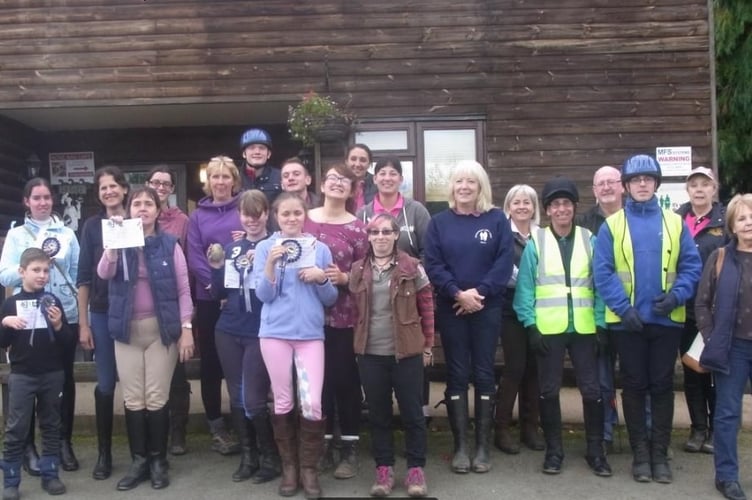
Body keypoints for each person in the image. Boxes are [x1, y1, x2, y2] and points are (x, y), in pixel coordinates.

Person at [594, 154, 702, 484]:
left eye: (648, 179)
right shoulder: (611, 225)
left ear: (656, 184)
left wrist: (676, 296)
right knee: (635, 387)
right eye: (636, 180)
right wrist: (623, 309)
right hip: (627, 323)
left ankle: (659, 454)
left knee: (662, 387)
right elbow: (603, 272)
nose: (642, 184)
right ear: (626, 186)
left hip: (666, 321)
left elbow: (691, 267)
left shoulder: (673, 222)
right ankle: (640, 454)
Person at [97, 186, 195, 491]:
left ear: (157, 209)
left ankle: (158, 461)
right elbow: (103, 273)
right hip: (126, 332)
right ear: (128, 210)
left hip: (160, 331)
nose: (142, 208)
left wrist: (187, 329)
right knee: (133, 398)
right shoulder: (119, 242)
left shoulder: (169, 244)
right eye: (136, 203)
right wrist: (111, 249)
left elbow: (183, 289)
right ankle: (138, 461)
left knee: (156, 397)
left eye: (148, 204)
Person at [513, 177, 611, 477]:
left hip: (584, 329)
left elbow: (600, 286)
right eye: (555, 205)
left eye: (566, 203)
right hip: (548, 329)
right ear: (548, 210)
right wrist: (530, 326)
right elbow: (525, 290)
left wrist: (601, 324)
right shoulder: (536, 243)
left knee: (592, 391)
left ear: (574, 207)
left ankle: (596, 451)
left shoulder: (589, 239)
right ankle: (555, 451)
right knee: (549, 391)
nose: (561, 209)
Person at [424, 160, 514, 474]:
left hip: (487, 308)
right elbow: (433, 263)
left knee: (485, 372)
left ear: (480, 187)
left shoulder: (497, 219)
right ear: (452, 187)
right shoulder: (439, 223)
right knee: (458, 374)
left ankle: (482, 447)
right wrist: (457, 293)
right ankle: (461, 446)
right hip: (452, 308)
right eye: (459, 181)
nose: (464, 187)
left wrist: (478, 294)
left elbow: (504, 263)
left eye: (471, 182)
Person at [253, 192, 338, 498]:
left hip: (309, 335)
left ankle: (309, 469)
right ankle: (290, 468)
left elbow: (331, 300)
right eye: (285, 214)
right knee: (283, 401)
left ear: (305, 216)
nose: (291, 219)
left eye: (297, 213)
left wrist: (321, 279)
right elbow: (263, 296)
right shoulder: (265, 248)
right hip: (275, 333)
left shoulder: (320, 249)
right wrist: (271, 265)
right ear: (276, 216)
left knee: (312, 402)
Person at [350, 213, 435, 498]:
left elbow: (426, 305)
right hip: (370, 353)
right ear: (369, 236)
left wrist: (427, 345)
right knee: (378, 415)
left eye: (386, 232)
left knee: (412, 413)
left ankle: (415, 469)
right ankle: (384, 470)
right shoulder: (357, 270)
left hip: (407, 352)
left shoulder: (413, 267)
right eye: (374, 232)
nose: (380, 237)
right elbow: (354, 310)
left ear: (396, 235)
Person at [0, 178, 80, 474]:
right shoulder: (17, 235)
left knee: (64, 381)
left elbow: (76, 274)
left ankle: (63, 442)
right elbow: (5, 274)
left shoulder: (68, 234)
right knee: (29, 381)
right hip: (28, 316)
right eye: (37, 198)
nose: (43, 202)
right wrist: (35, 261)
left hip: (62, 313)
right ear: (27, 201)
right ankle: (28, 447)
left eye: (47, 197)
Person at [206, 189, 281, 484]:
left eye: (257, 213)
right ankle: (248, 456)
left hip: (260, 329)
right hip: (228, 328)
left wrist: (265, 263)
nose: (251, 219)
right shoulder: (231, 248)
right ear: (240, 216)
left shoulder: (276, 246)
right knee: (236, 394)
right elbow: (219, 293)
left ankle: (270, 455)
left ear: (267, 214)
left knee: (254, 395)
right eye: (246, 214)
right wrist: (215, 267)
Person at [304, 163, 368, 479]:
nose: (338, 183)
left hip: (343, 317)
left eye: (345, 180)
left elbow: (366, 272)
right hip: (305, 317)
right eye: (333, 178)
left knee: (345, 383)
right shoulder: (304, 220)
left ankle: (350, 449)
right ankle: (324, 444)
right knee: (319, 383)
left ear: (352, 189)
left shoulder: (359, 228)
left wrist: (345, 277)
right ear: (323, 183)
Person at [1, 248, 75, 499]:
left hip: (52, 374)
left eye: (46, 270)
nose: (42, 275)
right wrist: (5, 323)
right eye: (36, 270)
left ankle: (50, 475)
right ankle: (11, 480)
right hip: (22, 375)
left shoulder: (52, 301)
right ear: (21, 272)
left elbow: (67, 343)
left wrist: (58, 325)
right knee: (16, 428)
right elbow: (2, 342)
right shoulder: (10, 304)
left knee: (52, 425)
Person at [694, 193, 752, 500]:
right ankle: (727, 476)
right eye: (742, 218)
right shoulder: (720, 258)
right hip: (733, 348)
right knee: (728, 413)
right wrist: (712, 335)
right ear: (732, 224)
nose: (749, 223)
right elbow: (702, 303)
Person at [186, 155, 243, 455]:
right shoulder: (197, 216)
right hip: (210, 299)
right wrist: (216, 286)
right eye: (214, 177)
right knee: (211, 363)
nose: (220, 182)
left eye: (225, 176)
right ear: (208, 182)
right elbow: (194, 256)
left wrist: (232, 289)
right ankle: (216, 425)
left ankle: (244, 423)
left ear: (234, 180)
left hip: (242, 297)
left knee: (244, 362)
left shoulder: (245, 208)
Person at [77, 165, 129, 480]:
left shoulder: (139, 220)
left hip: (135, 311)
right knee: (106, 384)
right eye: (103, 188)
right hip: (101, 311)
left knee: (137, 387)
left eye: (113, 186)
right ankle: (104, 454)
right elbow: (84, 277)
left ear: (124, 189)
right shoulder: (91, 227)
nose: (108, 191)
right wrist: (83, 323)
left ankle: (144, 454)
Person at [675, 166, 726, 455]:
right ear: (687, 190)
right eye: (693, 184)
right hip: (685, 309)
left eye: (704, 184)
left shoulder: (724, 222)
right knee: (692, 371)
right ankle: (697, 429)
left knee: (714, 371)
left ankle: (716, 430)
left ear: (713, 188)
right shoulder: (676, 220)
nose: (698, 189)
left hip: (715, 310)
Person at [575, 165, 625, 454]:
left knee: (635, 380)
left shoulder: (636, 218)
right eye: (600, 184)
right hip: (597, 313)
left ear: (622, 187)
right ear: (594, 191)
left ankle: (642, 434)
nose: (606, 187)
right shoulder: (584, 224)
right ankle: (605, 434)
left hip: (631, 312)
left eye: (611, 182)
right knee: (602, 380)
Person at [494, 184, 544, 454]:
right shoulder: (502, 235)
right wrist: (529, 278)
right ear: (508, 207)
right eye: (517, 202)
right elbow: (504, 270)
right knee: (515, 367)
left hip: (540, 309)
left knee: (534, 369)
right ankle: (501, 428)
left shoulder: (542, 236)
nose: (522, 206)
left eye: (528, 202)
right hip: (509, 307)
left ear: (534, 207)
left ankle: (530, 428)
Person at [146, 165, 192, 456]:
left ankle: (178, 432)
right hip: (142, 306)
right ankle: (152, 434)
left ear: (172, 189)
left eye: (166, 184)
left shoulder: (182, 220)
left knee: (177, 372)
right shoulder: (136, 218)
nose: (161, 187)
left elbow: (184, 262)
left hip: (172, 304)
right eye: (156, 183)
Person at [239, 127, 282, 203]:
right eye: (252, 148)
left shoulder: (280, 176)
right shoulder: (234, 177)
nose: (257, 152)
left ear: (268, 154)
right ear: (244, 153)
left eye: (262, 148)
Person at [346, 144, 377, 212]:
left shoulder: (377, 185)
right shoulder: (339, 183)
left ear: (369, 164)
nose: (357, 164)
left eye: (363, 160)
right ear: (346, 162)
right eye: (353, 159)